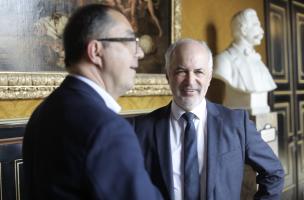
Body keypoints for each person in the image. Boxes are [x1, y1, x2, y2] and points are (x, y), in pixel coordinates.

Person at [22, 4, 163, 199]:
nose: (139, 53)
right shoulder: (108, 129)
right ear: (96, 51)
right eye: (130, 41)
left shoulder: (42, 112)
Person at [129, 38, 284, 200]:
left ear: (209, 77)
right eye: (181, 71)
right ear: (168, 76)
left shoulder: (237, 123)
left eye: (198, 72)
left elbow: (274, 173)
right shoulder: (140, 128)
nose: (190, 81)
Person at [213, 8, 276, 114]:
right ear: (244, 29)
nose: (262, 31)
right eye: (256, 25)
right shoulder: (223, 61)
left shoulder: (258, 61)